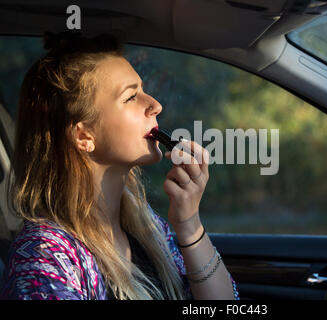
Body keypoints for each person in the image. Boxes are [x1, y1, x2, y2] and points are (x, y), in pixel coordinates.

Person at [0, 31, 239, 300]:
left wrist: (188, 223)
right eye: (130, 97)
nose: (155, 105)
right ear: (83, 136)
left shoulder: (148, 226)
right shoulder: (43, 257)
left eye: (144, 90)